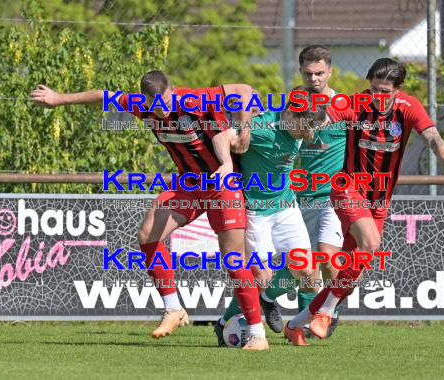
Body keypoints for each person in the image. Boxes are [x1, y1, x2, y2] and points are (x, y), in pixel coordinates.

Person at [30, 71, 270, 350]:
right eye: (157, 105)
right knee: (147, 234)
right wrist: (59, 99)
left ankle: (257, 334)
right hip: (190, 186)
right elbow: (102, 95)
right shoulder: (142, 105)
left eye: (167, 102)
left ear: (173, 90)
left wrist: (244, 130)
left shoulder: (194, 98)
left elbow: (243, 89)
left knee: (233, 259)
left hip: (222, 184)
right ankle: (173, 309)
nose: (164, 109)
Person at [284, 58, 444, 346]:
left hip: (379, 200)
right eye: (374, 89)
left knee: (350, 274)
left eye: (385, 92)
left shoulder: (409, 108)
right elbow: (326, 117)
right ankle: (326, 312)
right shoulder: (356, 104)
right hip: (347, 188)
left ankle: (295, 324)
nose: (378, 97)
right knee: (371, 244)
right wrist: (308, 121)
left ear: (398, 89)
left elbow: (433, 138)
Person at [214, 87, 326, 345]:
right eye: (305, 127)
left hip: (286, 208)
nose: (308, 134)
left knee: (309, 273)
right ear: (289, 114)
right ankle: (223, 323)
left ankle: (266, 301)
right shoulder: (261, 127)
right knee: (261, 277)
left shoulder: (303, 120)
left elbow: (321, 120)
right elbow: (221, 139)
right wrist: (228, 164)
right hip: (257, 213)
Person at [258, 45, 346, 338]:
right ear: (300, 72)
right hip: (299, 197)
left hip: (334, 195)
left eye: (320, 73)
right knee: (302, 266)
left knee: (325, 255)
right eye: (308, 73)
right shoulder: (290, 110)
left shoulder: (346, 108)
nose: (314, 79)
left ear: (330, 72)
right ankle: (278, 306)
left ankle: (325, 311)